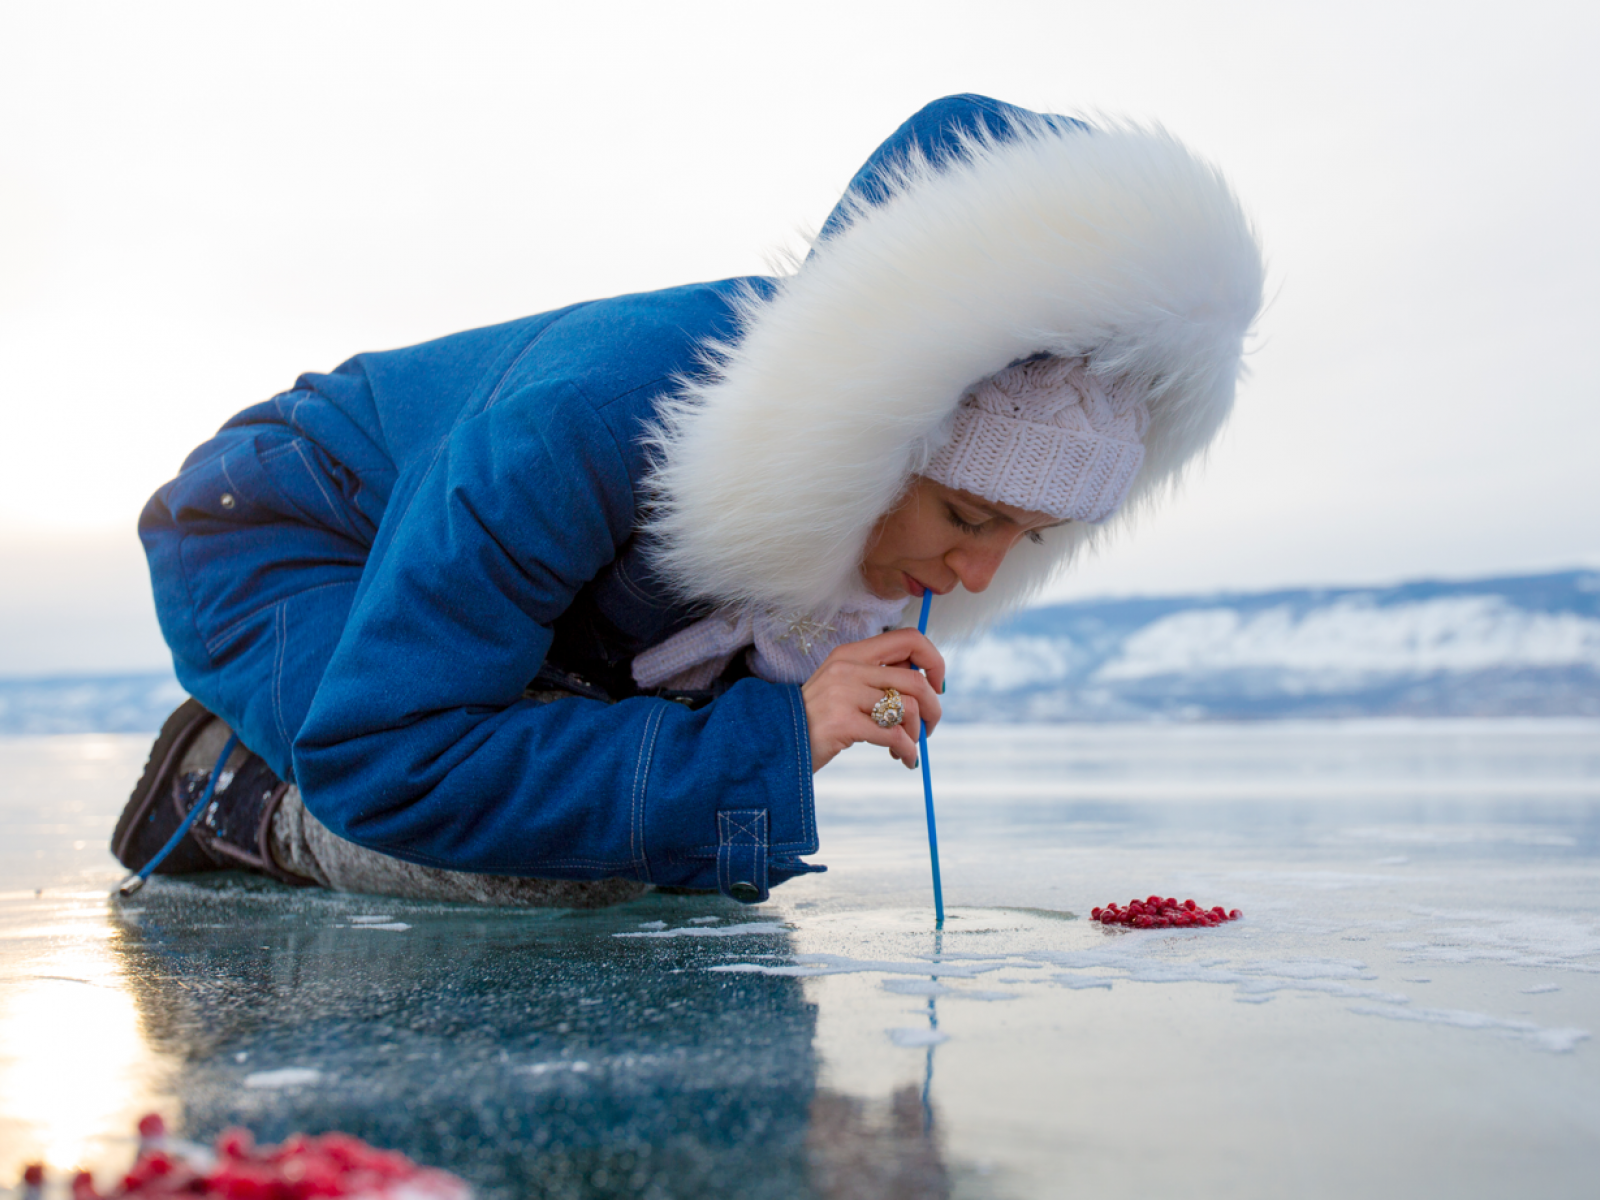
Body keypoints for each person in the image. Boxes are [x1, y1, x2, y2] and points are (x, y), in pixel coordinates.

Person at [111, 94, 1264, 906]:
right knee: (531, 874)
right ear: (864, 439)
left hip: (497, 588)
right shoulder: (582, 423)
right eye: (968, 518)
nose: (978, 578)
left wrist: (736, 765)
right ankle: (233, 790)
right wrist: (783, 730)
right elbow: (396, 757)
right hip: (286, 537)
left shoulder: (826, 500)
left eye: (1030, 539)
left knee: (684, 858)